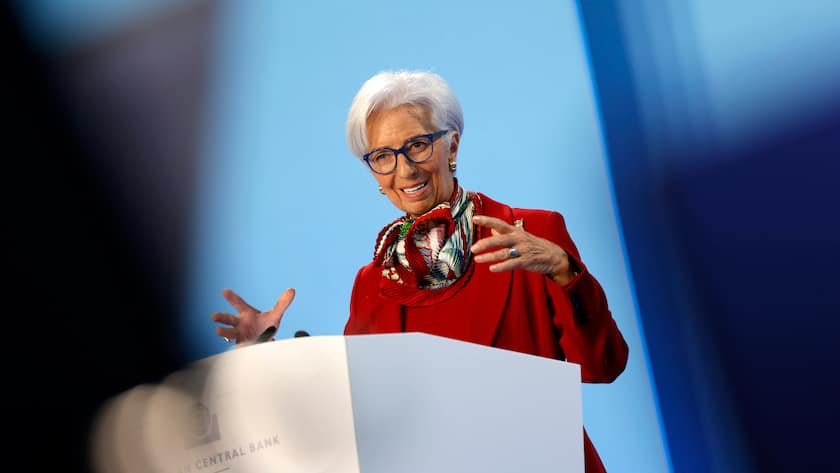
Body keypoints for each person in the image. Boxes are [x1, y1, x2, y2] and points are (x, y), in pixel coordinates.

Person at [211, 70, 629, 472]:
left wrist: (564, 271)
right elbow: (354, 417)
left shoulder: (532, 234)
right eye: (383, 157)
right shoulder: (373, 282)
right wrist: (263, 355)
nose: (405, 170)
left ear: (453, 146)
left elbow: (604, 365)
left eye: (418, 146)